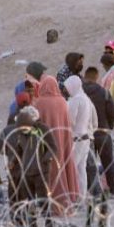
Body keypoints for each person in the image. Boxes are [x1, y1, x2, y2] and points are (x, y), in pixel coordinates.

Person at [1, 106, 58, 227]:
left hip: (41, 173)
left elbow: (53, 148)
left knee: (43, 202)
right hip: (26, 173)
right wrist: (13, 161)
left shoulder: (42, 130)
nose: (21, 131)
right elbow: (20, 149)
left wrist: (45, 160)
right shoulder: (22, 134)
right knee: (30, 203)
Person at [35, 75, 79, 219]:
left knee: (49, 174)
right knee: (63, 169)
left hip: (46, 145)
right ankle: (65, 204)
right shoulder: (62, 102)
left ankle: (51, 205)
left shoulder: (39, 103)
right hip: (63, 141)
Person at [82, 67, 114, 194]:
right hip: (103, 132)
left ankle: (92, 190)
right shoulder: (104, 92)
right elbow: (112, 113)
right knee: (108, 162)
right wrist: (109, 127)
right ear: (96, 77)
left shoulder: (80, 93)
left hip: (86, 135)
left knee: (88, 166)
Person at [64, 75, 97, 200]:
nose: (67, 90)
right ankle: (81, 196)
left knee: (73, 169)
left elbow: (71, 120)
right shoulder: (86, 99)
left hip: (76, 139)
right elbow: (94, 120)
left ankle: (73, 197)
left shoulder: (76, 100)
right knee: (81, 169)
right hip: (86, 138)